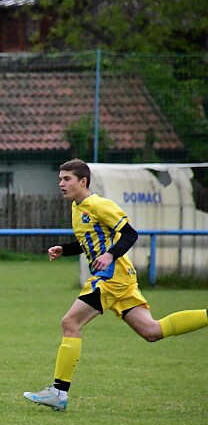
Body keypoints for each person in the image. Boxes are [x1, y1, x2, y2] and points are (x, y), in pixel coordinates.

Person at [24, 158, 208, 411]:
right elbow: (90, 241)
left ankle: (58, 392)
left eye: (67, 179)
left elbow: (130, 234)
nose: (61, 184)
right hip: (120, 279)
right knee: (152, 331)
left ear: (83, 181)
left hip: (111, 277)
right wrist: (64, 249)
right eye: (60, 179)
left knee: (70, 323)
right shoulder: (77, 208)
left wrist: (110, 255)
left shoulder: (99, 204)